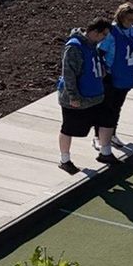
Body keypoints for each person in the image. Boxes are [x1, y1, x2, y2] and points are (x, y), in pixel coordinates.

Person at [56, 16, 110, 174]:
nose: (104, 38)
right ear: (94, 32)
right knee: (68, 128)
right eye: (103, 34)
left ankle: (104, 151)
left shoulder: (93, 46)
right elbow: (68, 74)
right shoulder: (74, 47)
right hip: (76, 98)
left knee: (101, 121)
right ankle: (65, 160)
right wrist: (73, 96)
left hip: (94, 96)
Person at [93, 2, 133, 164]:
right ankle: (98, 137)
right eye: (130, 19)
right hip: (111, 76)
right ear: (121, 18)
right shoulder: (112, 33)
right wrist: (104, 69)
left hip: (127, 75)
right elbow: (100, 51)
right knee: (106, 108)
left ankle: (112, 134)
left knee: (117, 107)